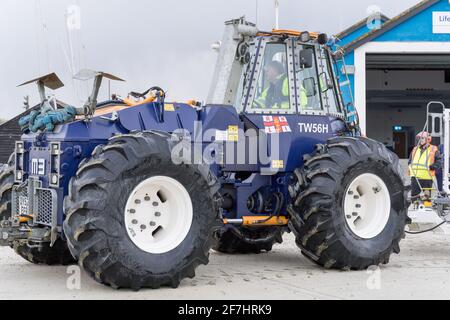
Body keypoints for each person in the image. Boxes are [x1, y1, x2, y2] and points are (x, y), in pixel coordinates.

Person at [409, 131, 442, 201]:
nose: (420, 140)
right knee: (414, 196)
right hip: (415, 177)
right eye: (419, 138)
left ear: (428, 139)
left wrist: (431, 167)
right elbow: (410, 161)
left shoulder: (434, 149)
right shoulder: (415, 149)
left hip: (427, 177)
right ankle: (415, 209)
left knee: (426, 197)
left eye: (422, 138)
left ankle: (427, 208)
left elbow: (439, 162)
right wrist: (410, 166)